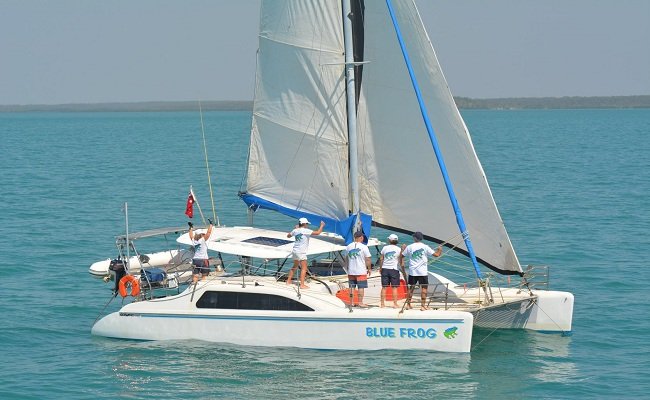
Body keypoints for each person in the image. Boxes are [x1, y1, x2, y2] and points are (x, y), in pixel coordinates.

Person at [399, 231, 442, 311]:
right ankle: (423, 306)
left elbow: (402, 256)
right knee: (424, 288)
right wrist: (440, 249)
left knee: (411, 288)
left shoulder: (410, 247)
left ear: (415, 238)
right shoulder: (425, 246)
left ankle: (408, 305)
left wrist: (403, 249)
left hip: (413, 272)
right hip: (422, 272)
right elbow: (437, 255)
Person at [286, 217, 325, 289]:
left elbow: (288, 236)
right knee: (304, 268)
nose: (307, 225)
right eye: (307, 224)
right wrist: (322, 225)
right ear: (304, 224)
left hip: (295, 251)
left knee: (295, 266)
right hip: (301, 252)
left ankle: (288, 281)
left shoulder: (295, 230)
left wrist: (295, 229)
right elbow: (318, 233)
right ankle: (302, 285)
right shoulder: (306, 230)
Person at [345, 231, 372, 307]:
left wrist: (347, 267)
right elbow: (368, 259)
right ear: (361, 237)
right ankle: (360, 303)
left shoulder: (348, 246)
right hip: (361, 271)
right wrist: (369, 269)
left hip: (351, 271)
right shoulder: (364, 247)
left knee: (351, 287)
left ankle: (351, 302)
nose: (363, 238)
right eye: (362, 237)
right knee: (361, 287)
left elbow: (346, 258)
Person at [378, 233, 403, 308]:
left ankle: (382, 304)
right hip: (394, 269)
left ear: (389, 240)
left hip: (385, 269)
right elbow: (400, 260)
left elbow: (381, 258)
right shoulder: (398, 249)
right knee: (394, 287)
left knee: (384, 287)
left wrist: (380, 268)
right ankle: (395, 304)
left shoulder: (385, 248)